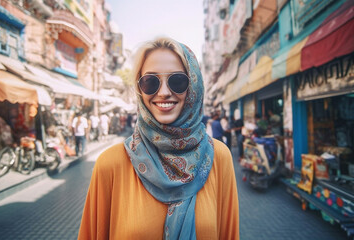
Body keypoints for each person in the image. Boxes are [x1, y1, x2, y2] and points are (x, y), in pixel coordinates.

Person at [78, 37, 239, 239]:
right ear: (139, 89)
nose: (163, 93)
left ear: (194, 87)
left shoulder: (218, 157)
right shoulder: (110, 164)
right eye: (150, 82)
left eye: (177, 81)